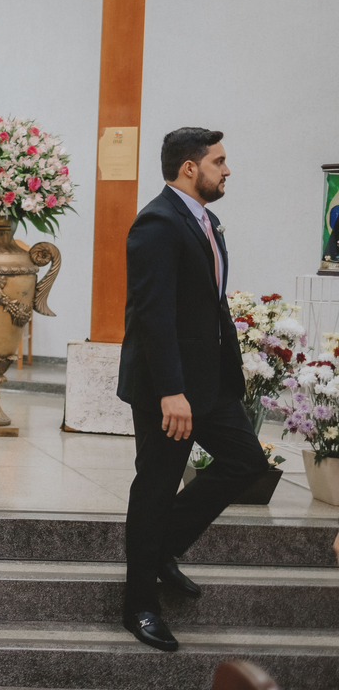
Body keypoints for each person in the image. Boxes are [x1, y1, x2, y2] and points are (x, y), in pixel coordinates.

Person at [116, 127, 266, 651]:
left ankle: (161, 547)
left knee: (246, 462)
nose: (227, 170)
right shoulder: (157, 223)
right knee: (156, 486)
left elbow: (211, 302)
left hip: (211, 381)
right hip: (168, 386)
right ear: (189, 168)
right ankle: (139, 606)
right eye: (218, 162)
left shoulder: (205, 220)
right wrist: (171, 391)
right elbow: (153, 315)